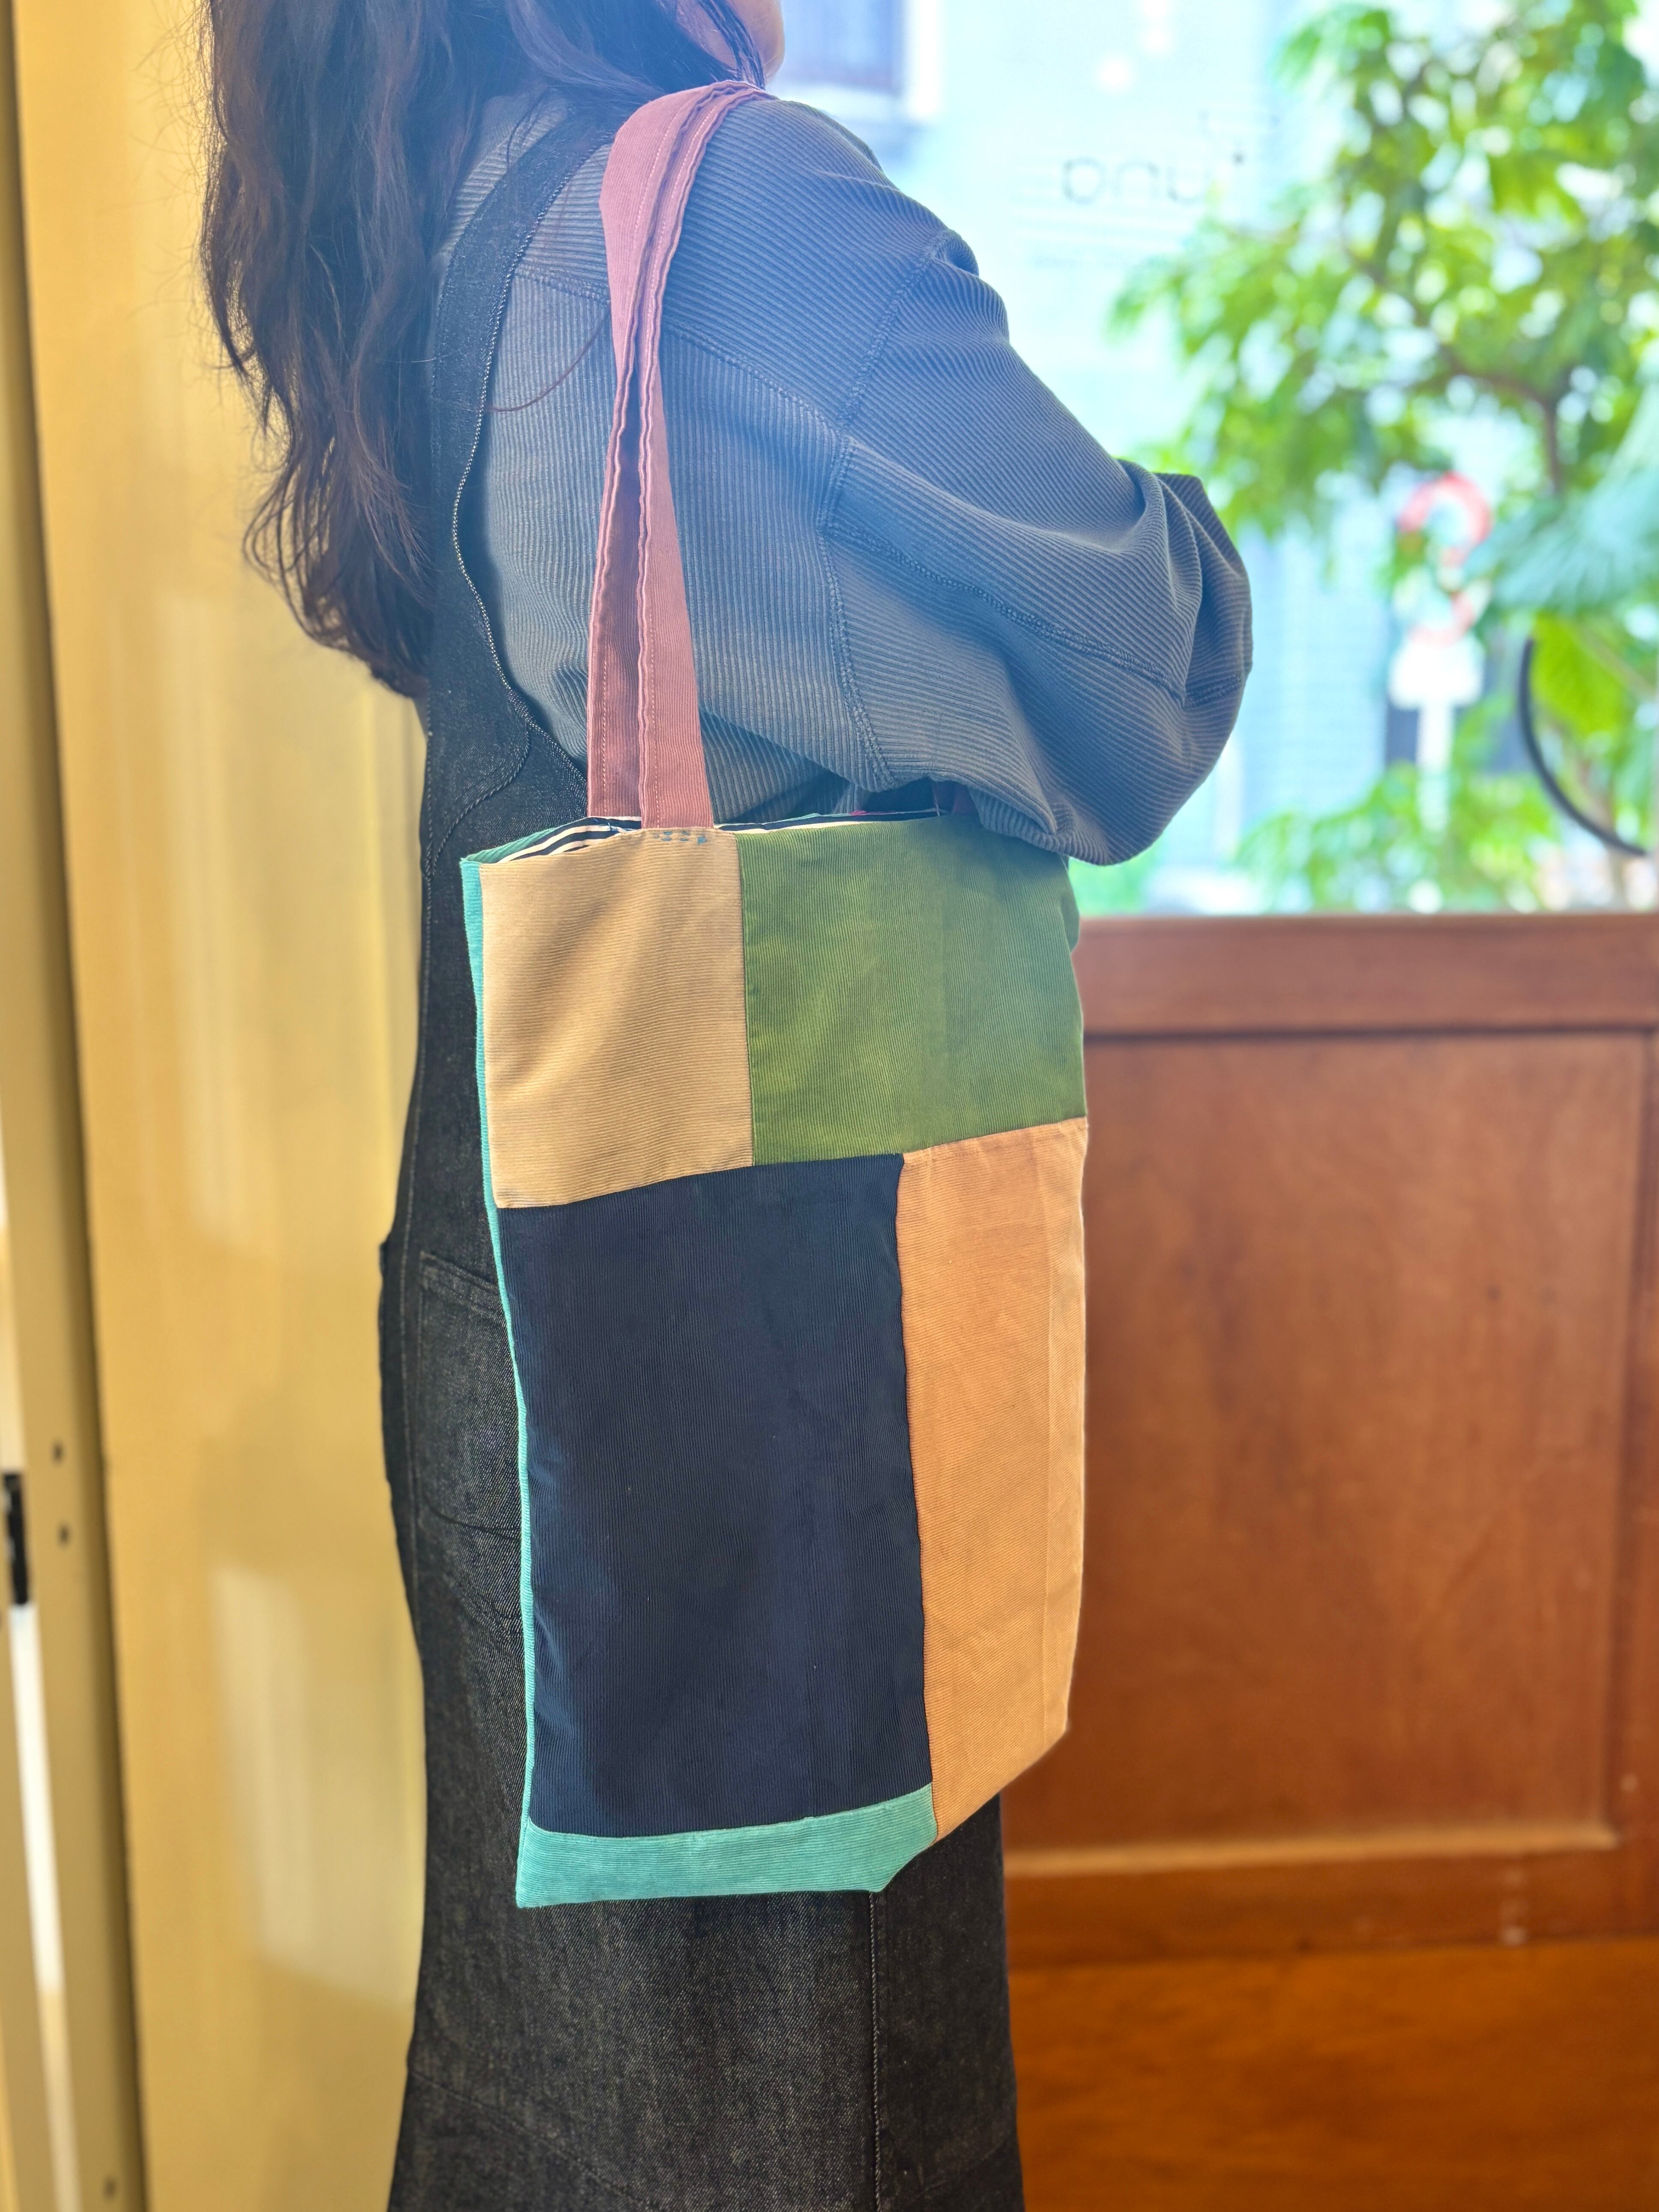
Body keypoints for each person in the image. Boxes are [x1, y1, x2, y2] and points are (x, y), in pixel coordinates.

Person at [199, 1, 1252, 2205]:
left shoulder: (440, 200)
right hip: (761, 1346)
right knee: (806, 2107)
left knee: (564, 2084)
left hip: (517, 1317)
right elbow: (1142, 675)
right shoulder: (732, 219)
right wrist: (1190, 533)